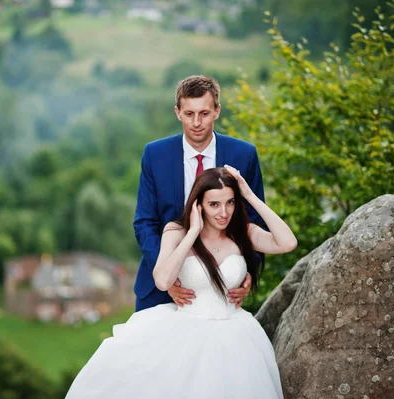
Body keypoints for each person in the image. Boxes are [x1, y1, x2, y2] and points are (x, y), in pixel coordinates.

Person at [66, 166, 296, 399]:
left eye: (230, 202)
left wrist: (249, 196)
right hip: (184, 332)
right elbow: (163, 281)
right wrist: (193, 232)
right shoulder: (176, 231)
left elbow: (287, 243)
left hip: (236, 335)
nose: (223, 212)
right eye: (214, 204)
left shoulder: (243, 232)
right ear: (199, 205)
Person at [134, 75, 265, 311]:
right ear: (177, 112)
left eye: (204, 113)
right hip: (159, 290)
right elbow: (145, 223)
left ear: (217, 111)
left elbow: (254, 220)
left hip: (222, 289)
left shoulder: (244, 155)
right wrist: (165, 276)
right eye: (189, 114)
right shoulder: (155, 154)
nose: (196, 122)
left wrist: (247, 271)